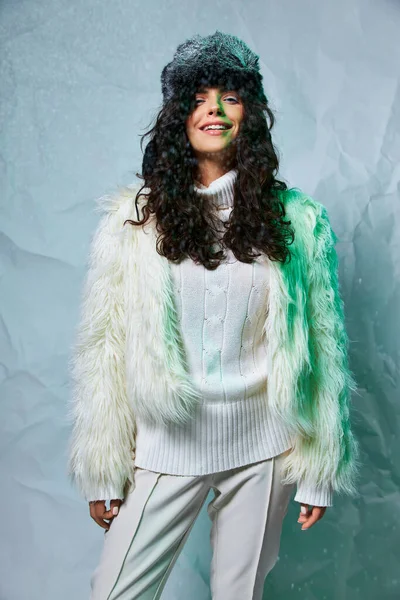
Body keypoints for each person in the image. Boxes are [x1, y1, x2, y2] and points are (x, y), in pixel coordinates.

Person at [66, 30, 361, 600]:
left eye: (229, 95)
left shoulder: (297, 221)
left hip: (263, 445)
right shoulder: (133, 221)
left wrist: (321, 463)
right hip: (168, 441)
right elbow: (104, 345)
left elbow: (324, 345)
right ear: (179, 116)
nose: (214, 109)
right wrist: (103, 463)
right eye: (198, 98)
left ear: (249, 113)